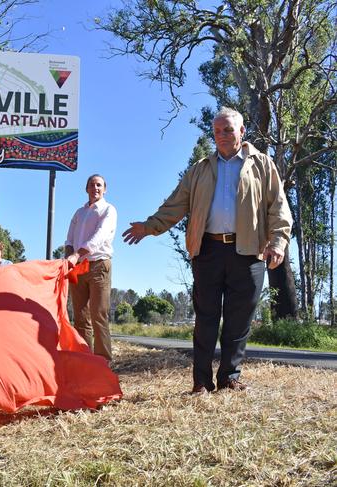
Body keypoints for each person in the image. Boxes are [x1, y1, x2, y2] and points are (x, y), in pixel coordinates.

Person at [122, 107, 293, 394]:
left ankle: (229, 377)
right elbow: (175, 205)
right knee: (205, 319)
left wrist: (278, 241)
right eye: (217, 131)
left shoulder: (262, 165)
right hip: (208, 251)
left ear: (241, 132)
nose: (222, 135)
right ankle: (201, 382)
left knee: (239, 319)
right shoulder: (200, 169)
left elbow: (278, 206)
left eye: (228, 130)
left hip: (249, 252)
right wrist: (149, 227)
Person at [65, 174, 117, 362]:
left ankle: (103, 362)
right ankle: (85, 359)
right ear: (86, 188)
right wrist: (69, 256)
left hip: (99, 265)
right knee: (80, 316)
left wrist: (77, 254)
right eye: (92, 185)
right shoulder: (79, 213)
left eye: (99, 185)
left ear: (105, 189)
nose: (95, 188)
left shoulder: (108, 210)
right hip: (79, 268)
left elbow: (100, 235)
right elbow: (70, 238)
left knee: (98, 315)